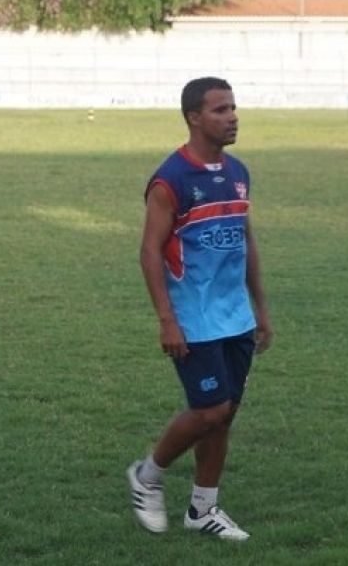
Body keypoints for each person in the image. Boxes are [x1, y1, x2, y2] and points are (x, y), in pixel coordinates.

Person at [127, 77, 273, 541]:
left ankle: (203, 509)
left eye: (233, 108)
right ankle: (147, 475)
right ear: (194, 117)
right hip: (193, 317)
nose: (232, 117)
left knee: (224, 416)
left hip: (236, 317)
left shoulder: (238, 172)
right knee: (210, 410)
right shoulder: (171, 179)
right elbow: (149, 252)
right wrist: (167, 320)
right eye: (220, 110)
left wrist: (260, 309)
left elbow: (246, 241)